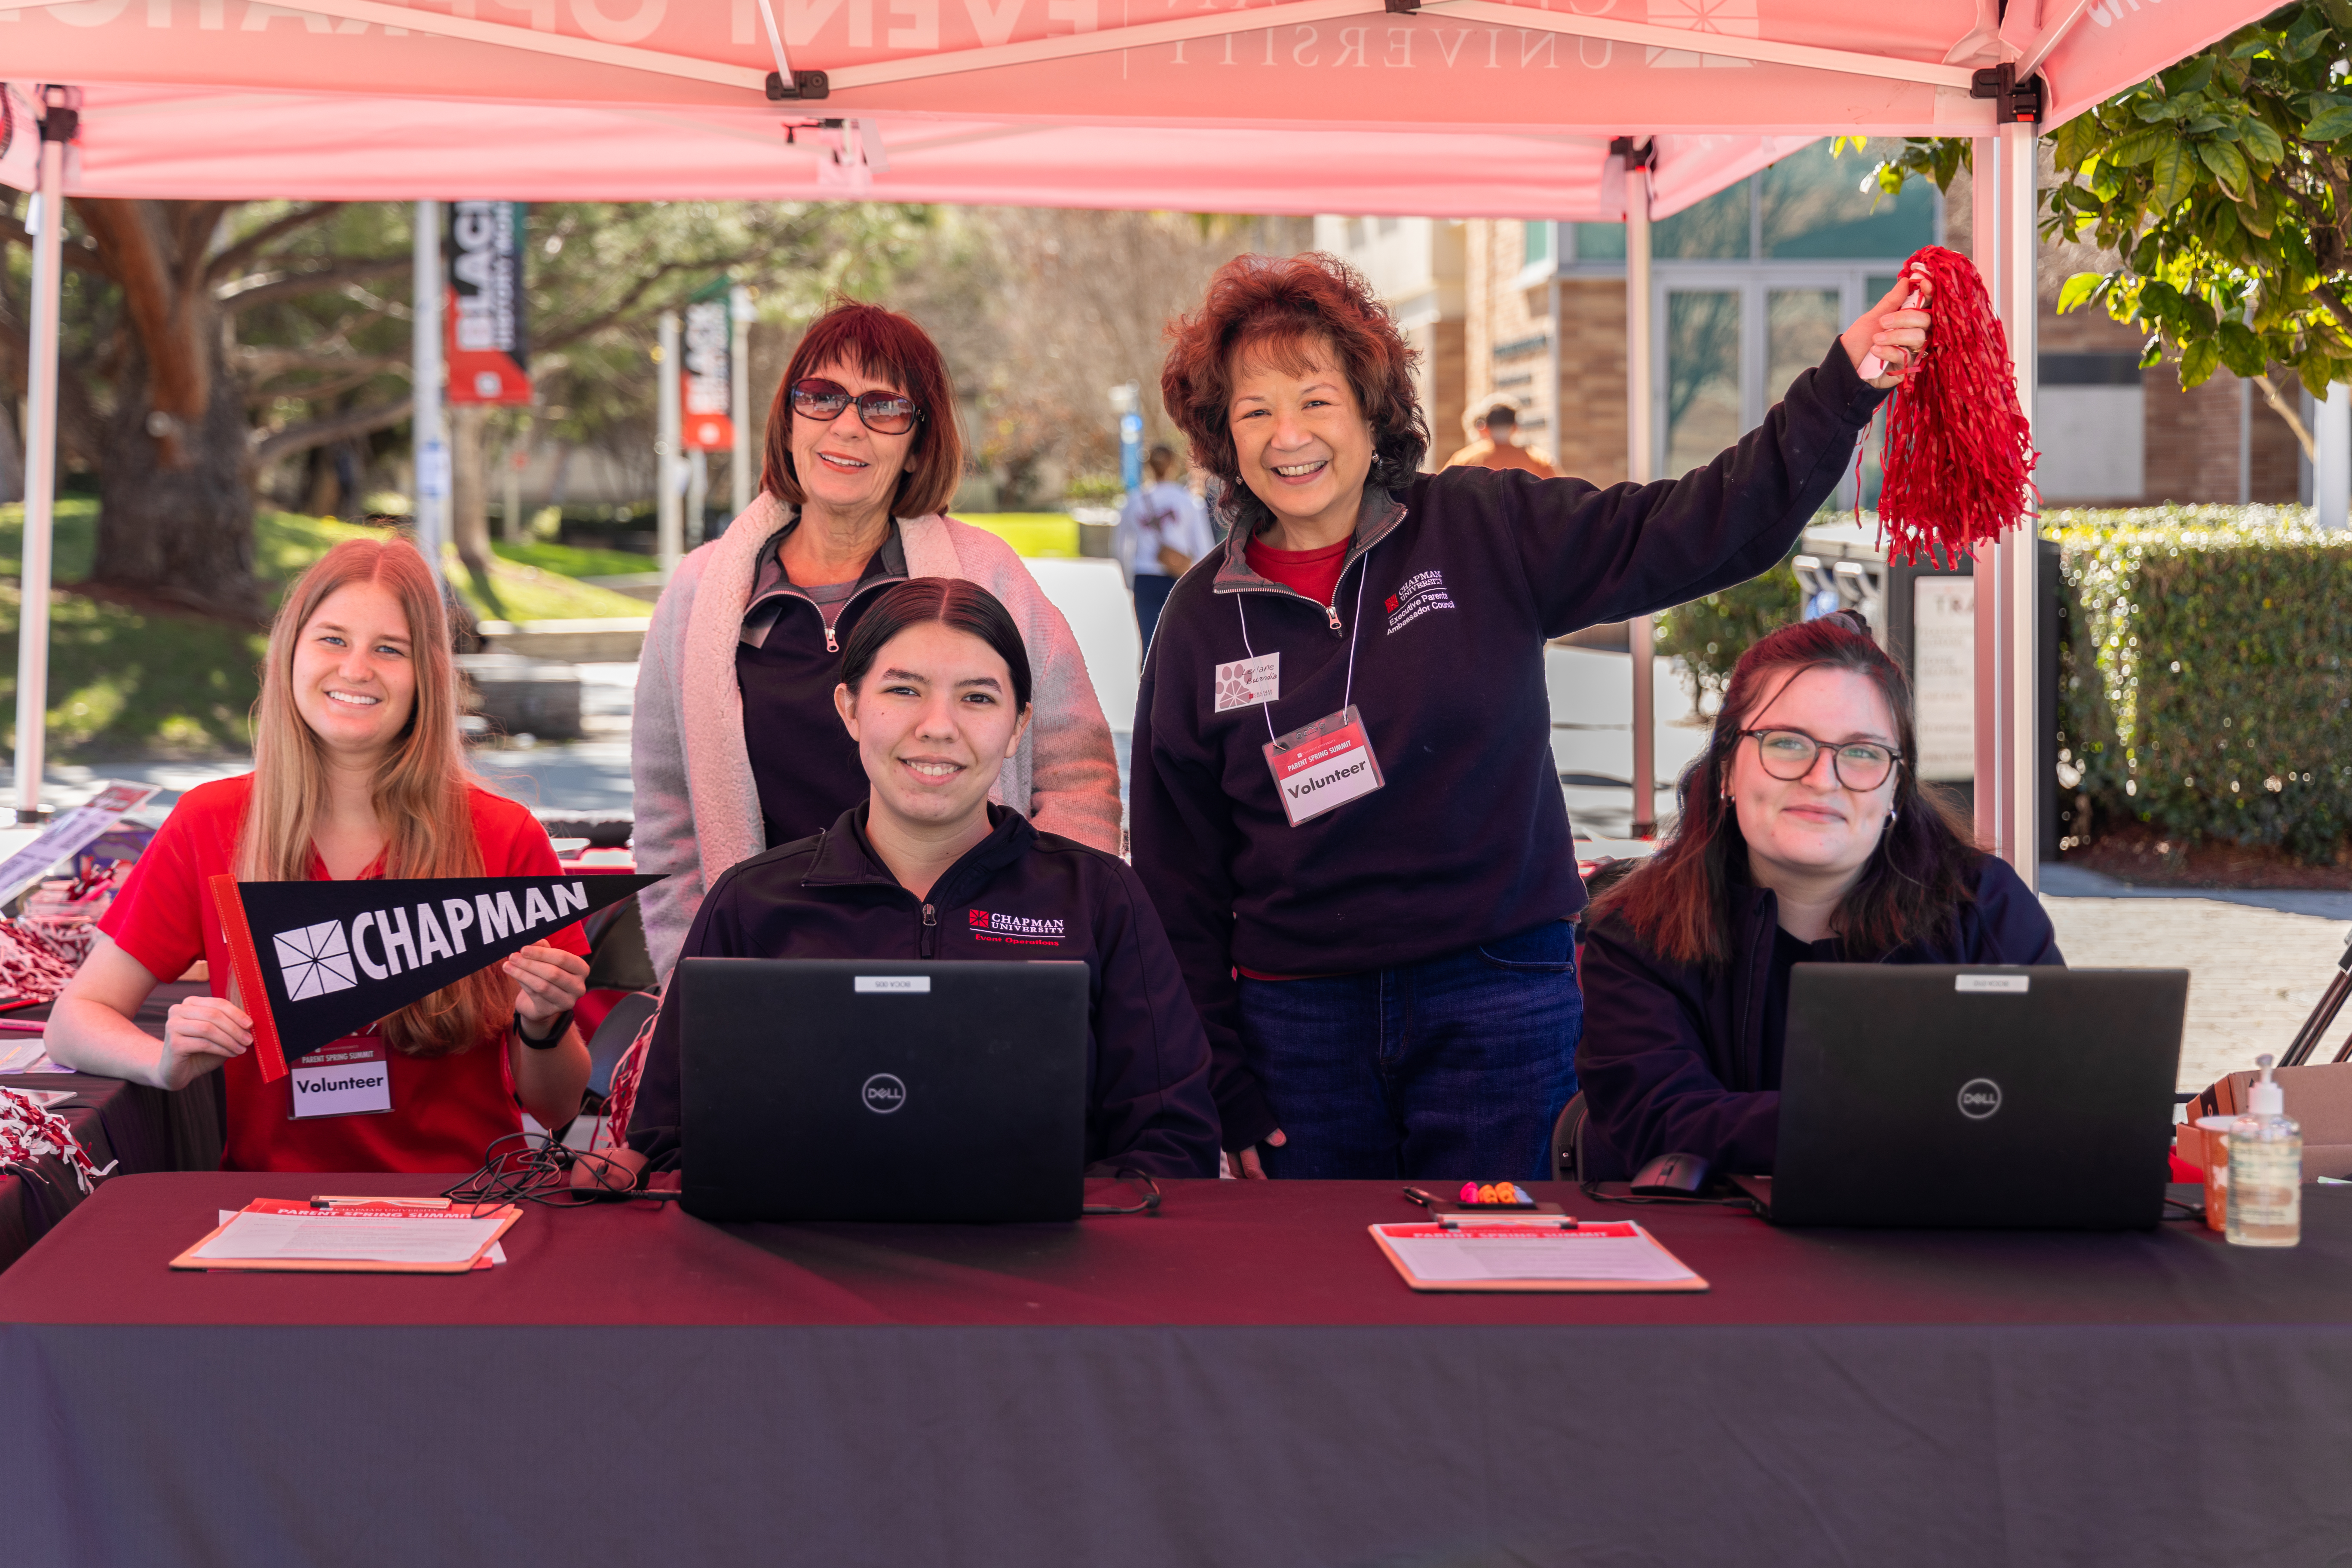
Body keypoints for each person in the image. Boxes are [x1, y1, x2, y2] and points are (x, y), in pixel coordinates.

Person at [1131, 251, 1930, 1182]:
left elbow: (1691, 529)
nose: (1288, 435)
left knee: (1505, 1285)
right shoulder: (1199, 617)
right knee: (1327, 1306)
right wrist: (1222, 1077)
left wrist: (1840, 389)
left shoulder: (1479, 527)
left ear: (1368, 411)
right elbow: (1174, 877)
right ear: (1223, 435)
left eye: (1315, 399)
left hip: (1500, 996)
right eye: (1254, 409)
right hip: (1298, 1025)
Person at [600, 579, 1220, 1184]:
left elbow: (1172, 1141)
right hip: (801, 1271)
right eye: (903, 690)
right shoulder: (748, 904)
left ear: (1017, 726)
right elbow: (667, 1142)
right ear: (850, 708)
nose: (937, 726)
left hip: (1038, 1270)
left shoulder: (1098, 897)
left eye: (978, 698)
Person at [48, 536, 591, 1172]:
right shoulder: (210, 822)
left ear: (429, 677)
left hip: (468, 1207)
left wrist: (545, 1023)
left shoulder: (503, 836)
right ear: (289, 655)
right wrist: (161, 1063)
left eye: (390, 649)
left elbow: (556, 1109)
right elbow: (73, 1020)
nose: (356, 669)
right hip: (271, 1215)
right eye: (333, 639)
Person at [633, 299, 1122, 979]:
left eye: (883, 406)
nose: (848, 426)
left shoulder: (987, 577)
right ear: (789, 418)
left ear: (919, 443)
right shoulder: (699, 595)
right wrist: (702, 977)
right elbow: (667, 817)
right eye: (822, 397)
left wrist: (1038, 937)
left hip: (970, 969)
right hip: (771, 974)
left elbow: (1077, 773)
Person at [1576, 612, 2063, 1179]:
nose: (1823, 778)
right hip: (1719, 1258)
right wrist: (1906, 1122)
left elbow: (2051, 1103)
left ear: (1895, 790)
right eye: (1788, 743)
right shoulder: (1636, 933)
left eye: (1861, 752)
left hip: (1944, 1256)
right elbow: (1663, 1124)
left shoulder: (1983, 907)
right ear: (1729, 769)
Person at [1113, 443, 1217, 653]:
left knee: (1149, 648)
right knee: (1180, 648)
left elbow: (1119, 547)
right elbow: (1205, 550)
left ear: (1149, 467)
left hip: (1145, 579)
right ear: (1173, 466)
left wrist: (1129, 580)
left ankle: (1146, 685)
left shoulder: (1134, 501)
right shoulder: (1189, 502)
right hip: (1181, 580)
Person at [1441, 403, 1556, 478]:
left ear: (1485, 428)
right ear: (1516, 428)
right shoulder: (1539, 461)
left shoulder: (1462, 460)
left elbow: (1440, 491)